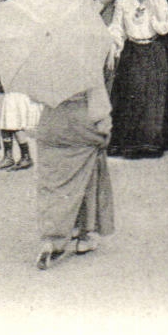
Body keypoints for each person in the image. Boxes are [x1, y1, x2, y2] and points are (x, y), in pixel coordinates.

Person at [33, 81, 117, 269]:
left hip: (51, 123)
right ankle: (84, 235)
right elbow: (99, 108)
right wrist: (106, 131)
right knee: (88, 173)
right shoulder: (86, 68)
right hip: (80, 122)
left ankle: (51, 238)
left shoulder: (44, 67)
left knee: (52, 182)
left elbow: (34, 98)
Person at [106, 0, 168, 158]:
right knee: (132, 95)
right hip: (132, 51)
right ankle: (129, 145)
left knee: (153, 97)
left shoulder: (158, 1)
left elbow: (164, 27)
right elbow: (117, 28)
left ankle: (151, 144)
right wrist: (114, 48)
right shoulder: (123, 3)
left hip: (154, 51)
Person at [0, 77, 40, 171]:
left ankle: (25, 157)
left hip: (15, 96)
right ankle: (10, 157)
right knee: (6, 124)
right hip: (10, 95)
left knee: (14, 125)